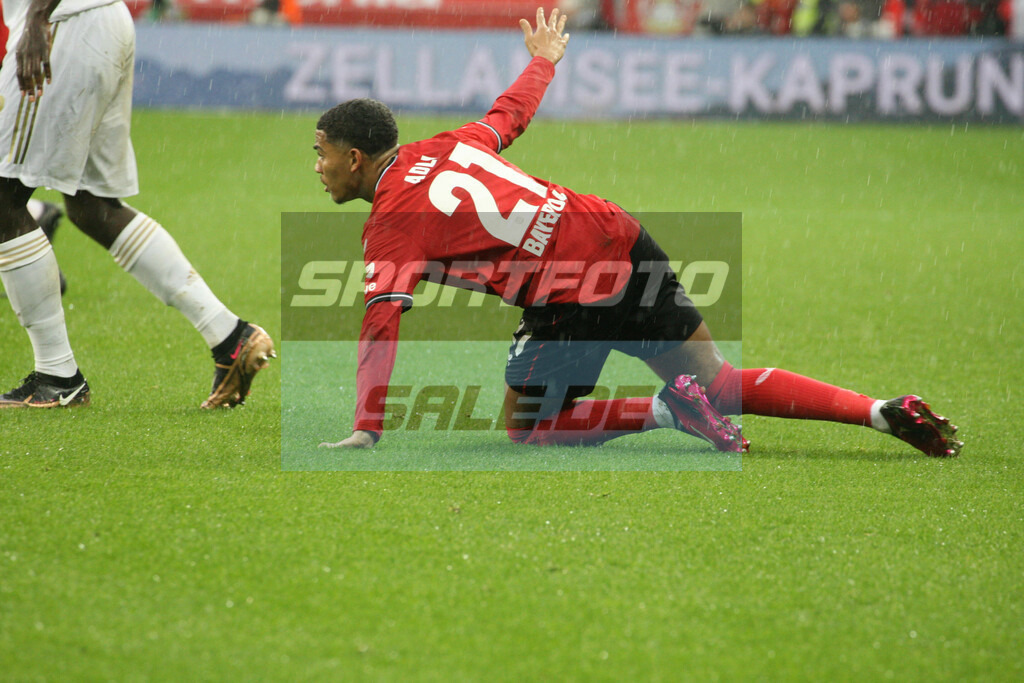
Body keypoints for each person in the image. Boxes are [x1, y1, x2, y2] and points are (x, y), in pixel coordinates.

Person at [313, 7, 962, 457]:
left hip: (568, 290)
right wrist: (543, 62)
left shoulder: (392, 220)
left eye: (321, 153)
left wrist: (367, 426)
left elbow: (382, 319)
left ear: (355, 158)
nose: (317, 168)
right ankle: (880, 409)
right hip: (616, 233)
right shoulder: (450, 144)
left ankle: (661, 410)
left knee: (527, 428)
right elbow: (506, 116)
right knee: (719, 381)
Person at [0, 0, 274, 408]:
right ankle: (230, 335)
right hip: (101, 18)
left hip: (61, 22)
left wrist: (39, 17)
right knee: (92, 204)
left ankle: (57, 376)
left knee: (4, 199)